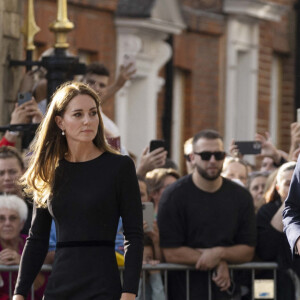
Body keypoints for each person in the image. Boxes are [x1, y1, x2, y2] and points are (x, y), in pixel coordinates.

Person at [13, 82, 143, 300]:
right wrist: (19, 293)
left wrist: (129, 293)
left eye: (93, 113)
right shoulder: (49, 169)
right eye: (78, 114)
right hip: (59, 287)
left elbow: (134, 235)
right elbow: (37, 238)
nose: (88, 121)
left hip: (103, 285)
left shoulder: (119, 167)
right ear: (60, 121)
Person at [157, 129, 256, 300]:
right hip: (185, 292)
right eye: (205, 155)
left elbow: (247, 250)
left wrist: (219, 253)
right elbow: (171, 252)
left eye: (218, 155)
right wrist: (217, 260)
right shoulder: (173, 196)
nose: (212, 161)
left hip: (228, 293)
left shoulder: (241, 196)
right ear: (192, 158)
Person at [257, 162, 300, 300]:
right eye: (288, 184)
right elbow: (266, 250)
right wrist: (289, 205)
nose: (294, 187)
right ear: (277, 187)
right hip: (271, 286)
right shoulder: (266, 211)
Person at [0, 194, 47, 300]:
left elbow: (44, 289)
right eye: (1, 219)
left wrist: (25, 267)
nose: (7, 223)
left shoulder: (34, 246)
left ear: (21, 223)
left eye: (13, 218)